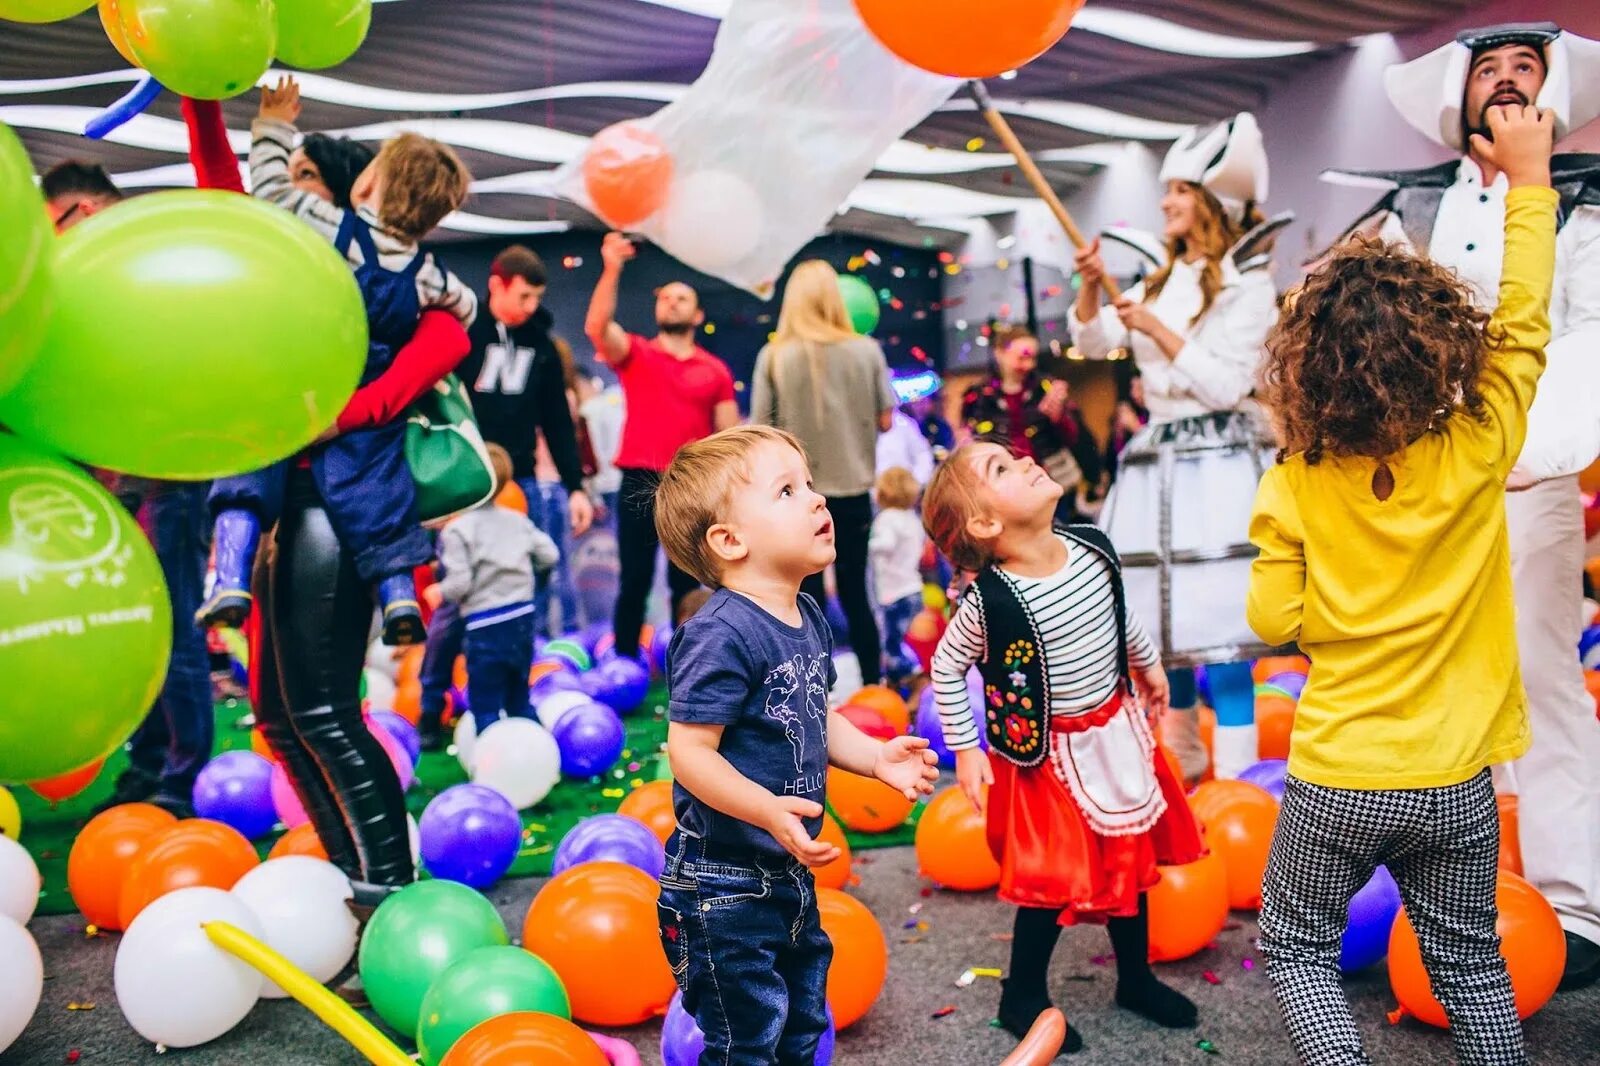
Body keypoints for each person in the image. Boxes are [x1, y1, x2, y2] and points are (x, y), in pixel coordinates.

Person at [1249, 104, 1555, 1066]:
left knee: (1296, 944)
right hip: (1457, 778)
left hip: (1339, 774)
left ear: (1311, 375)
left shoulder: (1293, 481)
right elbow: (1525, 327)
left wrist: (1329, 609)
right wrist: (1531, 180)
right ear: (1439, 351)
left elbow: (1273, 618)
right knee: (1470, 964)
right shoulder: (1476, 447)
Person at [1326, 20, 1600, 991]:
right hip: (1425, 487)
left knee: (1541, 679)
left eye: (1527, 66)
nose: (1508, 80)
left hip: (1529, 474)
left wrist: (1526, 450)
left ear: (1556, 89)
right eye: (1489, 66)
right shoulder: (1412, 210)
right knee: (1436, 688)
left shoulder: (1586, 203)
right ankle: (1455, 903)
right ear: (1459, 94)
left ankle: (1575, 907)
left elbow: (1586, 338)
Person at [169, 86, 473, 918]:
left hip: (322, 510)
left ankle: (389, 892)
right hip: (286, 503)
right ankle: (356, 882)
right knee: (278, 713)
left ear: (356, 187)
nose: (294, 182)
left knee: (325, 711)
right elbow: (228, 189)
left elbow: (451, 333)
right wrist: (203, 104)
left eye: (311, 173)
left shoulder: (337, 243)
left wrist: (351, 407)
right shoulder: (352, 264)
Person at [652, 424, 939, 1064]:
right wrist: (765, 808)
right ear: (729, 541)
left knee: (802, 1024)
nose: (816, 500)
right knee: (746, 1042)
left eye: (810, 484)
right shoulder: (718, 634)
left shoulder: (806, 615)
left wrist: (873, 757)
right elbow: (690, 751)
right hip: (718, 884)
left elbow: (814, 712)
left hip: (784, 871)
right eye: (787, 490)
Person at [923, 440, 1203, 1057]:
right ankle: (1022, 992)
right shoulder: (990, 603)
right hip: (1046, 760)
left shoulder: (1092, 549)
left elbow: (1119, 616)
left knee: (1129, 855)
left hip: (1116, 731)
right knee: (1052, 880)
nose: (1024, 460)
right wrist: (966, 750)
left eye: (1013, 454)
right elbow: (946, 669)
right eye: (1001, 468)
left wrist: (1148, 668)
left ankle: (1135, 980)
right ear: (986, 524)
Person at [199, 76, 476, 647]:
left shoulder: (332, 228)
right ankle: (398, 595)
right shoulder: (427, 272)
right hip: (362, 396)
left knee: (247, 466)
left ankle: (228, 575)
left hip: (295, 378)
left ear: (368, 180)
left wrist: (274, 122)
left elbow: (270, 190)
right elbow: (464, 306)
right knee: (379, 491)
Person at [1071, 112, 1285, 782]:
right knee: (1171, 641)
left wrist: (1159, 332)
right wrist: (1088, 284)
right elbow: (1091, 342)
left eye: (1181, 191)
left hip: (1218, 471)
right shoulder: (1156, 282)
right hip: (1155, 469)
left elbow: (1225, 385)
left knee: (1221, 638)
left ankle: (1244, 788)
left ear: (1212, 204)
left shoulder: (1251, 285)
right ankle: (1189, 776)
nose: (1165, 202)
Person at [43, 140, 218, 818]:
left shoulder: (141, 263)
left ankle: (182, 777)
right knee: (142, 625)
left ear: (80, 211)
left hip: (171, 469)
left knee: (173, 623)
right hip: (128, 474)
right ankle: (151, 763)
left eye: (52, 224)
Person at [585, 231, 738, 660]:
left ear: (697, 314)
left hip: (690, 486)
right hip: (638, 480)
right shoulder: (636, 354)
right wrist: (612, 266)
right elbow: (596, 328)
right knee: (632, 578)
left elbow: (728, 439)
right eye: (664, 297)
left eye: (681, 298)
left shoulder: (715, 370)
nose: (671, 302)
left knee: (686, 581)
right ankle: (626, 662)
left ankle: (690, 663)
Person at [749, 260, 896, 686]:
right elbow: (886, 419)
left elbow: (761, 428)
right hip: (852, 490)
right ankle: (873, 683)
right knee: (856, 593)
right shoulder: (866, 350)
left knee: (802, 598)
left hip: (795, 498)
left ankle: (814, 695)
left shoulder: (773, 356)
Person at [427, 444, 559, 732]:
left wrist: (440, 591)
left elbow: (460, 584)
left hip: (485, 624)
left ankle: (491, 760)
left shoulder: (459, 529)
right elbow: (549, 554)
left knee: (485, 704)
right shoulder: (517, 520)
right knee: (519, 698)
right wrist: (527, 579)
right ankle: (537, 754)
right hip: (522, 619)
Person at [959, 325, 1102, 523]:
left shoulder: (1046, 388)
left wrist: (1058, 417)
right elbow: (969, 440)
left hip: (1051, 480)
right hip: (1006, 488)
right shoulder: (978, 396)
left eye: (1032, 357)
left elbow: (1075, 438)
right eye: (1022, 357)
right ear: (1000, 353)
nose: (1028, 365)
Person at [868, 466, 925, 683]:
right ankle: (912, 681)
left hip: (894, 593)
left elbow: (886, 544)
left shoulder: (887, 518)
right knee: (912, 642)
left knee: (893, 645)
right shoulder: (912, 518)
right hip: (914, 587)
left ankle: (909, 682)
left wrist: (867, 543)